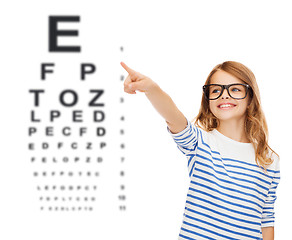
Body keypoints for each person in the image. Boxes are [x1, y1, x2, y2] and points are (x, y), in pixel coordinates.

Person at [120, 61, 280, 240]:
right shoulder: (199, 142)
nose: (224, 95)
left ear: (250, 98)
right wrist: (151, 88)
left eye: (235, 89)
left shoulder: (269, 160)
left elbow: (266, 219)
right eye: (216, 90)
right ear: (208, 101)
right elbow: (172, 115)